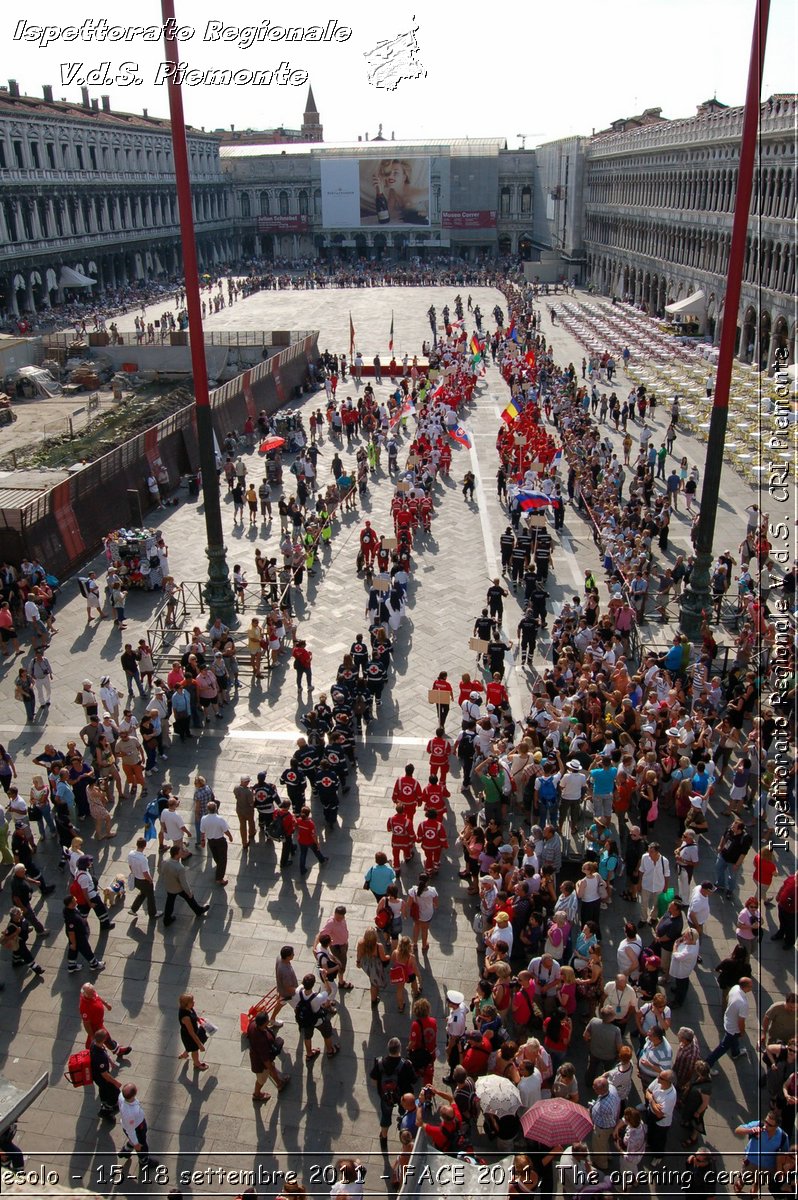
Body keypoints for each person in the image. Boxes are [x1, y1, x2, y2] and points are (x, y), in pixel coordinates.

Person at [369, 1036, 416, 1144]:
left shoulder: (379, 1063)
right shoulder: (406, 1064)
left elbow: (373, 1079)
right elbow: (414, 1080)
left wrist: (381, 1090)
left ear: (388, 1049)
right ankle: (403, 1126)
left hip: (386, 1096)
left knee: (385, 1116)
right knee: (404, 1112)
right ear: (400, 1049)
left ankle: (384, 1138)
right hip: (403, 1097)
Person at [705, 977, 754, 1071]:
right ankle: (708, 1064)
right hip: (733, 1028)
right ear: (745, 987)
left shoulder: (735, 988)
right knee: (723, 1047)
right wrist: (742, 1031)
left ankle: (736, 1053)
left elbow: (727, 998)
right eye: (750, 986)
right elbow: (741, 1021)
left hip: (728, 1019)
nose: (752, 988)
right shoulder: (743, 1004)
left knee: (733, 1040)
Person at [292, 972, 340, 1062]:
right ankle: (330, 1051)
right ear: (313, 984)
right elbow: (329, 990)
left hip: (306, 1021)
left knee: (307, 1037)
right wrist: (325, 978)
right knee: (327, 1033)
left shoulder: (298, 992)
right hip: (318, 1020)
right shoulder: (317, 997)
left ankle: (309, 1054)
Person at [80, 982, 131, 1058]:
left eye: (94, 991)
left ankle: (89, 1055)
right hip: (95, 1026)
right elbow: (86, 1024)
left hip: (99, 1023)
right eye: (92, 993)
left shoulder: (91, 993)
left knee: (97, 1041)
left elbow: (97, 997)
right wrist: (92, 1035)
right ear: (86, 994)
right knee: (104, 1038)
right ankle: (118, 1051)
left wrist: (106, 1004)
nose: (94, 993)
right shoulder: (84, 1006)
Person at [161, 846, 210, 926]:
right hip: (178, 888)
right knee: (189, 897)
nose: (183, 852)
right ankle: (198, 911)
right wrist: (189, 892)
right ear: (176, 855)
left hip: (169, 886)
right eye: (181, 852)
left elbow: (163, 872)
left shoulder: (165, 862)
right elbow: (183, 883)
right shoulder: (180, 868)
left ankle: (166, 919)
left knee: (169, 902)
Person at [247, 1011, 289, 1102]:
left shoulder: (252, 1024)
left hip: (259, 1056)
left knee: (271, 1069)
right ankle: (257, 1094)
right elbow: (267, 1062)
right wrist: (271, 1068)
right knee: (261, 1080)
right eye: (267, 1020)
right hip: (260, 1064)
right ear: (264, 1023)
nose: (269, 1021)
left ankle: (279, 1082)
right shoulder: (261, 1041)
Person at [118, 1083, 152, 1169]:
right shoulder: (130, 1112)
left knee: (133, 1139)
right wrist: (136, 1144)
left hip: (131, 1125)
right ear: (135, 1092)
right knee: (142, 1145)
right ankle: (144, 1161)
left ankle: (126, 1151)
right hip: (137, 1128)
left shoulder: (121, 1096)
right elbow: (131, 1131)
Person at [200, 801, 233, 886]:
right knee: (223, 858)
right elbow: (225, 830)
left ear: (207, 809)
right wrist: (230, 836)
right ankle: (219, 878)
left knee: (216, 855)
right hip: (220, 841)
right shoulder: (220, 819)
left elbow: (202, 831)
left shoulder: (203, 818)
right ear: (216, 808)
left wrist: (203, 841)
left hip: (210, 841)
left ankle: (219, 867)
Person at [90, 1029, 121, 1119]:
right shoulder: (99, 1057)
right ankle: (105, 1112)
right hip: (102, 1078)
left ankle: (105, 1103)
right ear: (104, 1039)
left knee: (103, 1091)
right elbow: (105, 1075)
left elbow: (104, 1050)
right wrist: (115, 1082)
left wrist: (110, 1061)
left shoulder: (94, 1043)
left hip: (97, 1076)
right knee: (115, 1093)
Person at [356, 927, 390, 1005]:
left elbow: (359, 954)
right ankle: (373, 1000)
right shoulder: (379, 946)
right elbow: (383, 958)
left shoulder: (361, 943)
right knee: (373, 984)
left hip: (365, 964)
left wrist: (358, 962)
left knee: (372, 978)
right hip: (375, 966)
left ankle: (375, 988)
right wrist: (389, 957)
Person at [178, 993, 209, 1071]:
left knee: (191, 1046)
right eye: (192, 1001)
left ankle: (185, 1054)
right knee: (195, 1050)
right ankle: (197, 1064)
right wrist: (200, 1045)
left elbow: (193, 1014)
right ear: (186, 1004)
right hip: (189, 1036)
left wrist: (198, 1019)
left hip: (194, 1032)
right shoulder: (186, 1018)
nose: (194, 1002)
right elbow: (191, 1033)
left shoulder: (189, 1008)